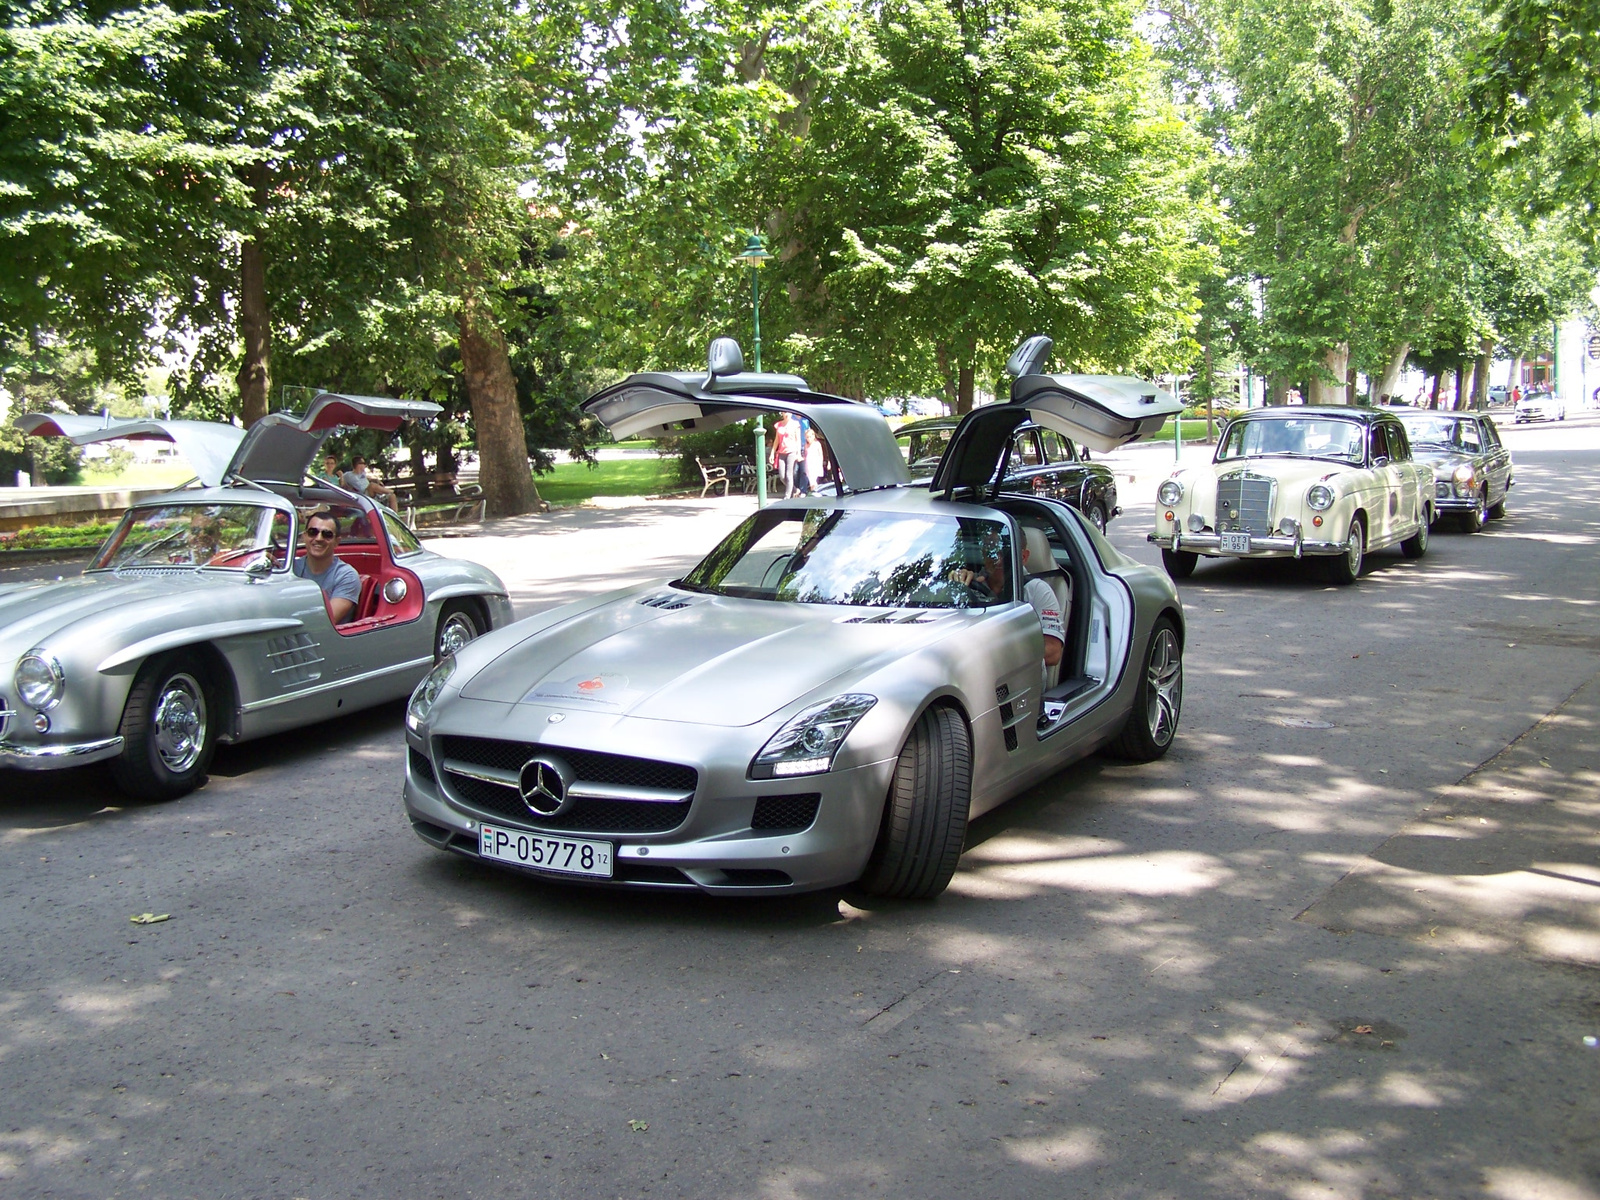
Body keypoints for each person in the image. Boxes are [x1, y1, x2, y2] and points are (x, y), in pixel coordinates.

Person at [294, 510, 363, 623]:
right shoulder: (291, 568)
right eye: (313, 532)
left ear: (337, 542)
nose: (319, 538)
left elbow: (325, 622)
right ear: (304, 536)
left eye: (327, 534)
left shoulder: (346, 575)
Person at [769, 413, 802, 499]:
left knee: (789, 475)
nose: (786, 414)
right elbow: (777, 440)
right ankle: (795, 490)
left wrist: (798, 453)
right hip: (781, 452)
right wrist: (772, 453)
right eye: (784, 412)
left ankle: (787, 496)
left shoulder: (795, 424)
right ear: (782, 413)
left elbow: (798, 440)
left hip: (792, 451)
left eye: (787, 412)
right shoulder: (779, 425)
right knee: (782, 476)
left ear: (791, 413)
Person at [801, 429, 826, 495]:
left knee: (813, 480)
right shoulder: (806, 445)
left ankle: (816, 492)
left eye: (810, 436)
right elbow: (805, 455)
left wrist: (820, 463)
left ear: (813, 436)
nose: (809, 438)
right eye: (807, 437)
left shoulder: (817, 444)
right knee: (811, 480)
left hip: (815, 464)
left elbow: (820, 454)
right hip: (808, 464)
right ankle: (815, 492)